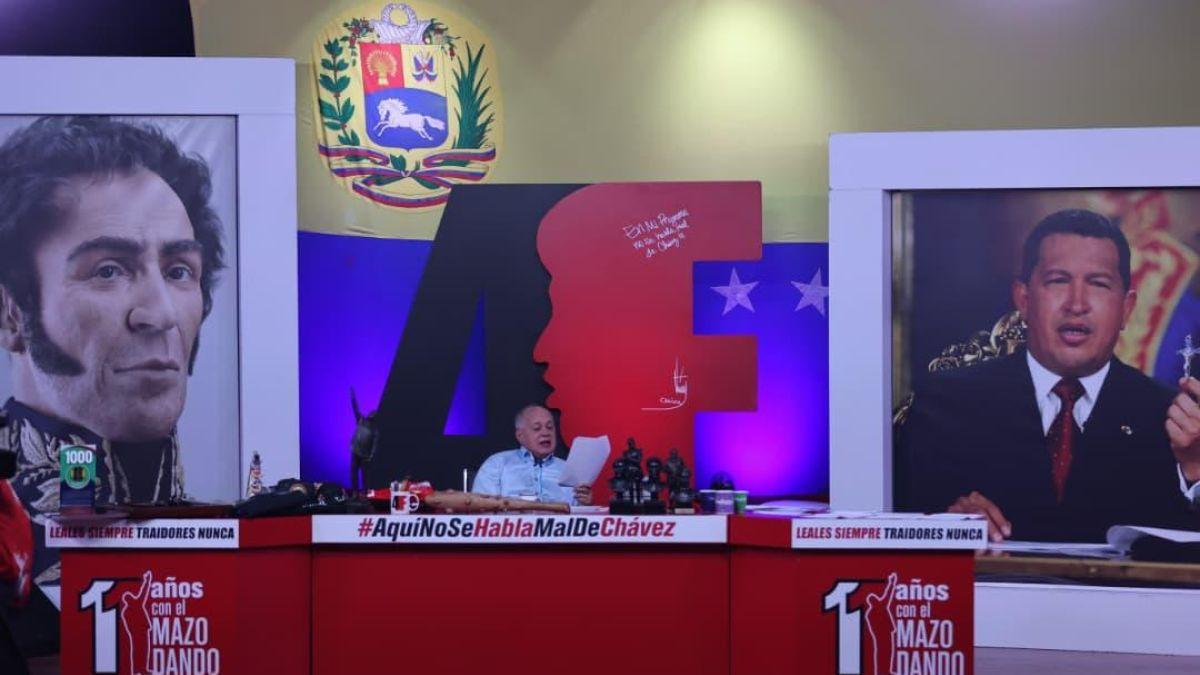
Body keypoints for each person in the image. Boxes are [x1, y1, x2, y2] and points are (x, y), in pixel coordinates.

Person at [0, 116, 225, 589]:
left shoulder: (227, 553)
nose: (160, 314)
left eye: (179, 271)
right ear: (11, 314)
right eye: (108, 270)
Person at [896, 209, 1200, 542]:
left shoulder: (1169, 420)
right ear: (1023, 299)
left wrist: (1195, 474)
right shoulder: (946, 405)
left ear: (1126, 309)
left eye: (1098, 284)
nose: (1077, 304)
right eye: (1058, 281)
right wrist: (945, 524)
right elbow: (902, 528)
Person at [472, 405, 592, 505]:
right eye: (537, 428)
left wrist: (585, 504)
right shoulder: (497, 464)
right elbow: (481, 507)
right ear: (520, 436)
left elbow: (579, 517)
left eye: (550, 427)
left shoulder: (569, 470)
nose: (545, 433)